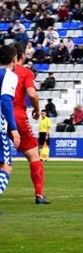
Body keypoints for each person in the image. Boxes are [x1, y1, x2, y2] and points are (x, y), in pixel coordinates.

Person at [10, 43, 48, 204]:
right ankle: (39, 195)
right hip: (17, 117)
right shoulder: (25, 72)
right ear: (22, 56)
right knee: (33, 157)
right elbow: (32, 94)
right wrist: (37, 109)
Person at [0, 45, 20, 197]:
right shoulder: (9, 75)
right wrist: (13, 128)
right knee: (6, 165)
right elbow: (5, 101)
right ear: (14, 59)